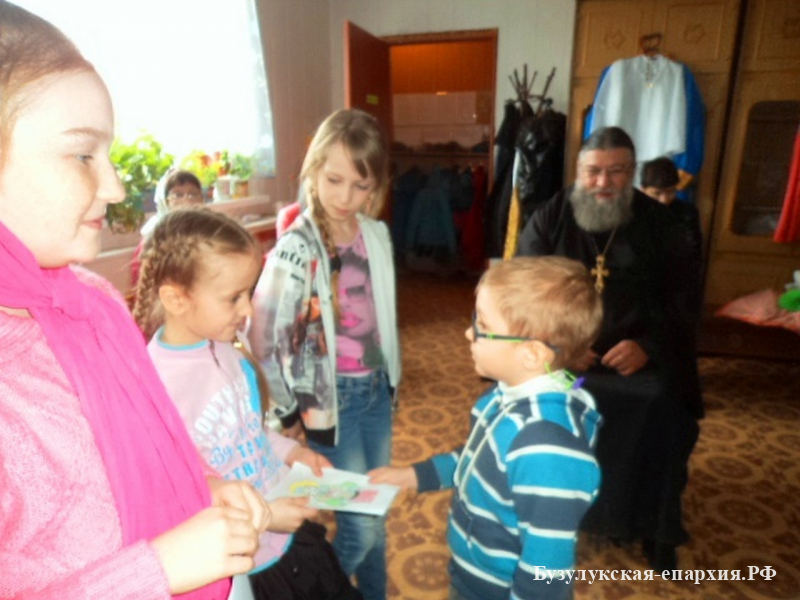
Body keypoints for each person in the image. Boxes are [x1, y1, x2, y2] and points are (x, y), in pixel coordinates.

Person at [0, 3, 269, 598]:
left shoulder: (93, 300)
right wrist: (159, 569)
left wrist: (203, 485)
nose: (117, 186)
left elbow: (149, 446)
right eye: (82, 155)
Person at [134, 208, 363, 600]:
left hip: (288, 533)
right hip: (251, 563)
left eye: (248, 293)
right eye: (233, 298)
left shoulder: (226, 348)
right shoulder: (156, 388)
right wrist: (267, 518)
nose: (248, 310)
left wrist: (291, 452)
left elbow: (249, 431)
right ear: (175, 298)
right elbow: (179, 493)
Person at [516, 127, 702, 571]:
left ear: (631, 172)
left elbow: (686, 299)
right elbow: (521, 292)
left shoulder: (662, 225)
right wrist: (560, 348)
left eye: (616, 172)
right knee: (540, 397)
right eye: (593, 171)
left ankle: (652, 525)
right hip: (566, 363)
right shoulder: (551, 216)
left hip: (636, 363)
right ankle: (543, 511)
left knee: (662, 404)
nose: (603, 182)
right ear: (578, 170)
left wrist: (648, 346)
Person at [371, 256, 604, 600]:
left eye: (482, 325)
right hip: (471, 571)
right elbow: (479, 459)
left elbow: (548, 572)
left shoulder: (546, 450)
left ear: (531, 354)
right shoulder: (506, 394)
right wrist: (415, 475)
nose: (469, 333)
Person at [250, 108, 401, 600]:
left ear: (375, 187)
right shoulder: (295, 250)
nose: (345, 197)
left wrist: (392, 380)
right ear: (314, 170)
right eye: (334, 180)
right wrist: (286, 412)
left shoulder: (376, 235)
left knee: (375, 510)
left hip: (376, 394)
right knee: (361, 526)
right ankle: (321, 591)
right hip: (331, 405)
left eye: (360, 185)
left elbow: (383, 317)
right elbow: (262, 338)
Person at [131, 169, 205, 287]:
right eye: (178, 195)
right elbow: (143, 280)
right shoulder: (154, 235)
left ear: (201, 199)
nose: (187, 199)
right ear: (165, 201)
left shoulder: (209, 230)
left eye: (193, 194)